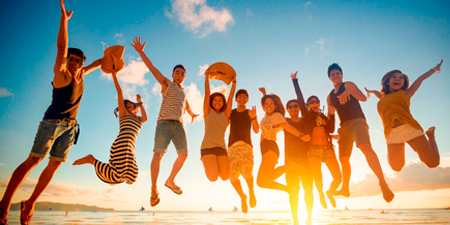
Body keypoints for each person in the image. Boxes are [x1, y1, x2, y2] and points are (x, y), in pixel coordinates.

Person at [0, 1, 102, 224]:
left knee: (54, 164)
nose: (74, 62)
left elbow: (97, 64)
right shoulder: (62, 74)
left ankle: (30, 202)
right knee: (33, 161)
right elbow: (61, 48)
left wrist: (110, 58)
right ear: (67, 61)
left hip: (70, 127)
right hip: (51, 123)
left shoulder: (81, 74)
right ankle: (4, 203)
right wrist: (63, 22)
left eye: (78, 60)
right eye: (71, 59)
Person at [131, 36, 198, 207]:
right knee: (158, 155)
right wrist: (141, 53)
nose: (180, 75)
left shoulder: (183, 91)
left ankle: (170, 180)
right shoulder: (167, 84)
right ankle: (153, 189)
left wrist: (191, 113)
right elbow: (152, 69)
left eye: (183, 73)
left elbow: (185, 102)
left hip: (179, 125)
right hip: (164, 123)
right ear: (172, 74)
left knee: (184, 155)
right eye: (177, 72)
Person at [326, 63, 394, 203]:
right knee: (343, 158)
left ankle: (382, 183)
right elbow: (330, 117)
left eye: (337, 73)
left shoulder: (348, 85)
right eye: (332, 74)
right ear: (329, 78)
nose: (335, 76)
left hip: (357, 121)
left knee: (365, 146)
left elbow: (363, 98)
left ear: (342, 75)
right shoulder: (329, 97)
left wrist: (349, 92)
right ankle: (345, 188)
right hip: (343, 127)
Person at [364, 60, 442, 171]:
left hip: (410, 129)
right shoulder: (383, 97)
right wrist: (370, 92)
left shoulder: (406, 93)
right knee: (396, 167)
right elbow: (376, 92)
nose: (398, 79)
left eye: (401, 78)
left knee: (433, 163)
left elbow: (420, 79)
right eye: (394, 77)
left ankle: (430, 136)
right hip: (392, 133)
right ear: (387, 82)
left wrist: (434, 69)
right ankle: (399, 147)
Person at [72, 71, 147, 185]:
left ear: (135, 109)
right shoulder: (123, 115)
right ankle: (92, 160)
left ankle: (95, 163)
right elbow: (120, 92)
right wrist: (114, 75)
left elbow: (145, 118)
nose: (127, 108)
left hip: (130, 147)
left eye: (130, 106)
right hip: (120, 144)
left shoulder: (138, 119)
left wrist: (140, 103)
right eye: (125, 107)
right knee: (117, 174)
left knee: (133, 176)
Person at [290, 71, 342, 209]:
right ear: (307, 105)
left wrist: (332, 114)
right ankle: (320, 194)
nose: (315, 103)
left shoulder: (323, 117)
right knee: (318, 177)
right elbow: (300, 98)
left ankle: (329, 192)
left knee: (338, 177)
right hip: (313, 149)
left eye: (316, 101)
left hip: (328, 149)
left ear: (319, 103)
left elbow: (330, 129)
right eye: (311, 102)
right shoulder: (307, 115)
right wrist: (295, 81)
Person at [257, 88, 310, 193]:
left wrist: (300, 135)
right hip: (265, 149)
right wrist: (264, 94)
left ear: (276, 106)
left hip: (270, 146)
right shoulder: (267, 116)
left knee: (267, 178)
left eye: (271, 103)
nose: (268, 105)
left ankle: (289, 167)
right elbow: (264, 106)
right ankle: (288, 189)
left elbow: (286, 126)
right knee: (261, 182)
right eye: (266, 103)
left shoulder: (277, 116)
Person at [227, 89, 259, 213]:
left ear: (247, 100)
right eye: (239, 97)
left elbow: (256, 130)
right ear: (236, 100)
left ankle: (251, 191)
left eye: (244, 97)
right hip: (232, 147)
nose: (241, 99)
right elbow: (224, 126)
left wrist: (254, 117)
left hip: (246, 145)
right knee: (231, 175)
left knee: (247, 172)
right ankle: (242, 196)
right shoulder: (231, 112)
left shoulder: (250, 113)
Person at [200, 73, 236, 181]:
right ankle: (205, 160)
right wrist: (206, 77)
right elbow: (207, 93)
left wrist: (234, 82)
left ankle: (214, 163)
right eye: (215, 100)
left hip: (221, 147)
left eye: (220, 100)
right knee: (213, 178)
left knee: (225, 177)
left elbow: (231, 98)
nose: (217, 102)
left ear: (223, 103)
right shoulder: (208, 112)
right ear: (211, 102)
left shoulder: (226, 115)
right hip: (207, 147)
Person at [284, 98, 314, 225]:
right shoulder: (284, 121)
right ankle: (295, 220)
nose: (293, 108)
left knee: (308, 190)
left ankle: (309, 219)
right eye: (290, 107)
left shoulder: (305, 121)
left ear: (299, 107)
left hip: (306, 160)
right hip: (291, 161)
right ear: (287, 110)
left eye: (295, 106)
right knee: (293, 191)